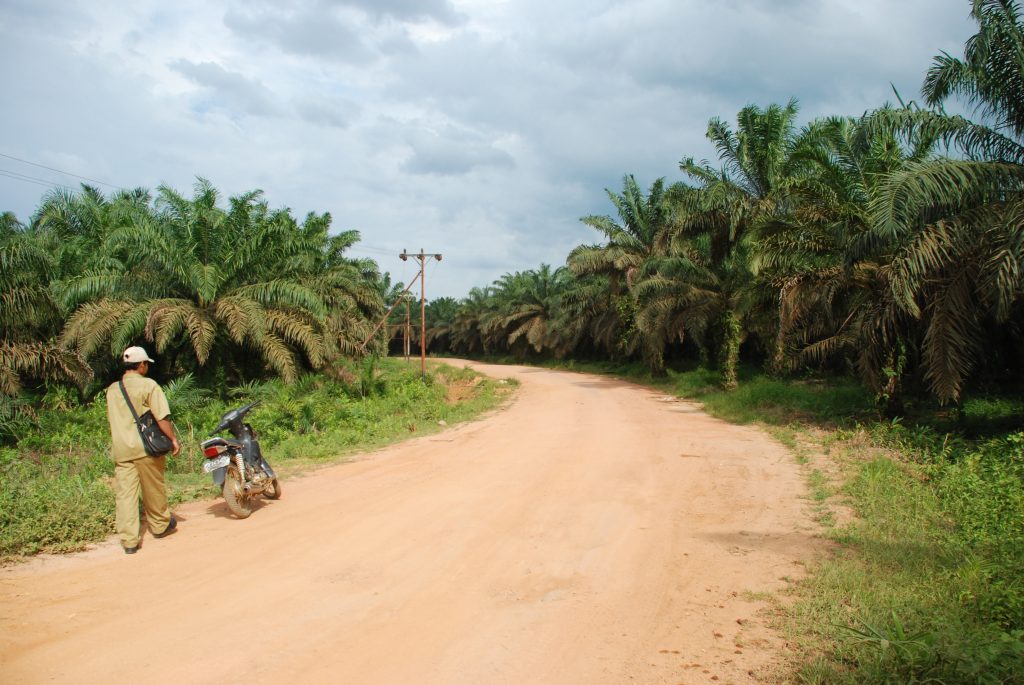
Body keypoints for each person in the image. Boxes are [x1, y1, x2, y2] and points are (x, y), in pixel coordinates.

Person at [105, 346, 181, 554]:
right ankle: (159, 525)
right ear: (141, 365)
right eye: (146, 363)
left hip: (121, 449)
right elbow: (161, 417)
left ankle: (129, 541)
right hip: (145, 448)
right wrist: (173, 439)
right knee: (153, 488)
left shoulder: (112, 389)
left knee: (125, 495)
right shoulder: (149, 386)